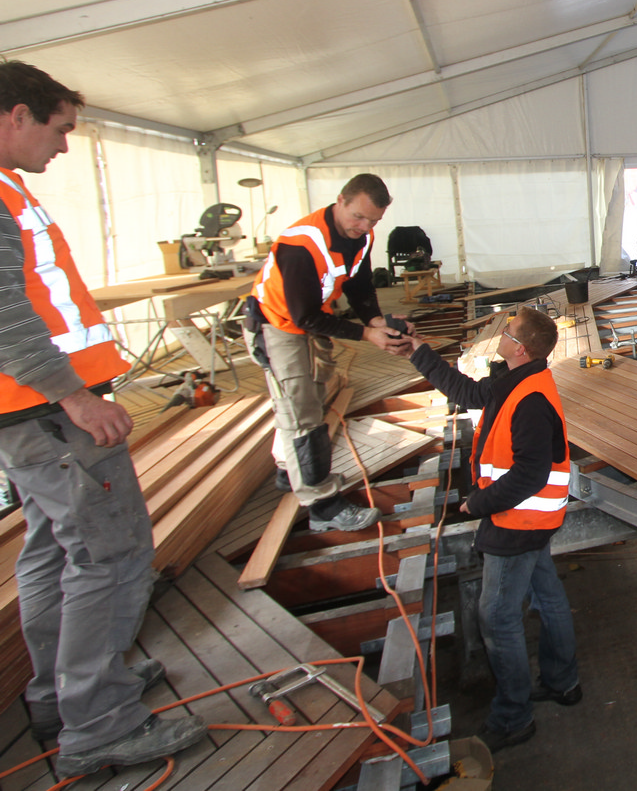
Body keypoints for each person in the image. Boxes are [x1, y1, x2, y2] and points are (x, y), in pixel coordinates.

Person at [0, 62, 208, 777]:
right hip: (51, 413)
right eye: (59, 129)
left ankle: (61, 697)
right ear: (17, 115)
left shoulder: (9, 188)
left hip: (27, 416)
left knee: (52, 552)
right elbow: (7, 317)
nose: (64, 146)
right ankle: (99, 721)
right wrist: (77, 396)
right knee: (109, 553)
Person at [406, 307, 579, 751]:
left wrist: (477, 503)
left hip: (519, 520)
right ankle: (562, 682)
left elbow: (529, 474)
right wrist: (417, 350)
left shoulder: (531, 400)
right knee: (547, 596)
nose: (501, 334)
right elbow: (466, 391)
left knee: (498, 617)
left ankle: (513, 718)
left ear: (520, 348)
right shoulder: (515, 380)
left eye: (508, 332)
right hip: (534, 518)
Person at [243, 173, 413, 532]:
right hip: (277, 324)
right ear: (340, 201)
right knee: (301, 410)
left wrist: (376, 321)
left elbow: (359, 284)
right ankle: (322, 505)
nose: (364, 227)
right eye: (358, 217)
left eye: (373, 221)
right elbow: (303, 316)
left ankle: (289, 470)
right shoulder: (301, 244)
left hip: (308, 320)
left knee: (314, 395)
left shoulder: (362, 236)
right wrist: (367, 334)